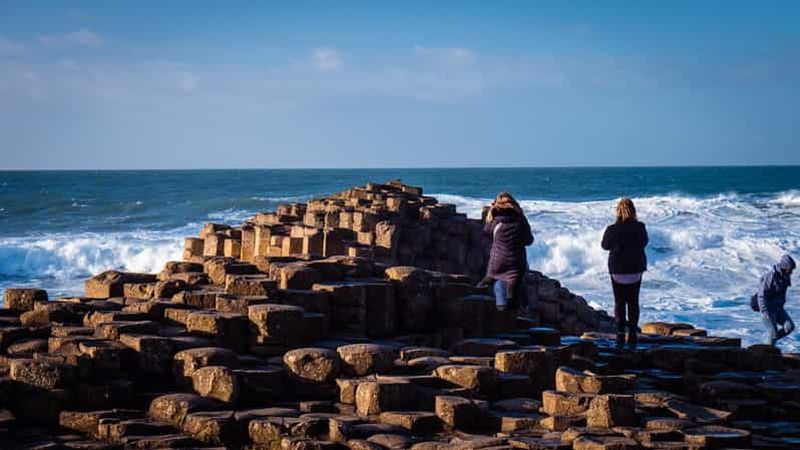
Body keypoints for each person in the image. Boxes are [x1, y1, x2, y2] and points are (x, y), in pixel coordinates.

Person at [601, 198, 648, 347]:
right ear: (633, 211)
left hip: (618, 271)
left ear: (618, 211)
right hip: (635, 269)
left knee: (619, 302)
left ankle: (620, 333)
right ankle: (633, 333)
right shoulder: (640, 227)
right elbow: (644, 242)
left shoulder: (612, 229)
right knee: (633, 301)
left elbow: (605, 246)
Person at [482, 192, 534, 312]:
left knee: (486, 282)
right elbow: (529, 240)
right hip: (515, 264)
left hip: (497, 262)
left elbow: (486, 232)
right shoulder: (520, 219)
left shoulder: (495, 219)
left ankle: (472, 302)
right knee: (513, 295)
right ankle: (517, 314)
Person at [758, 254, 796, 346]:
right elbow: (762, 295)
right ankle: (765, 352)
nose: (791, 271)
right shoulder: (770, 276)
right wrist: (765, 311)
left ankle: (765, 344)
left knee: (789, 327)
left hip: (778, 308)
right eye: (790, 269)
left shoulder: (785, 276)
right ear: (784, 266)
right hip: (768, 310)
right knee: (773, 335)